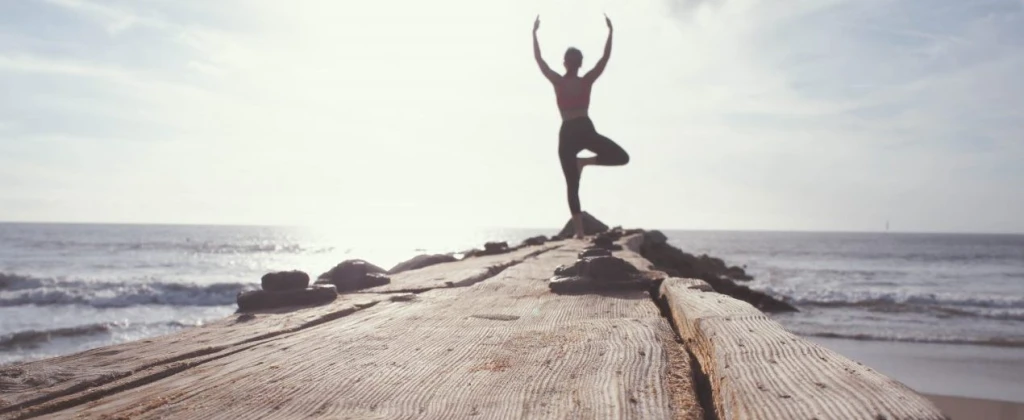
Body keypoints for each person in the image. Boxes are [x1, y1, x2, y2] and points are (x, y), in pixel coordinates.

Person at [533, 14, 629, 239]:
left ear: (565, 62)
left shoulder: (560, 81)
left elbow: (539, 61)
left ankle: (579, 232)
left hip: (570, 131)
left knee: (571, 183)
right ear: (577, 63)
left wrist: (534, 34)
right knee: (619, 157)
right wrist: (610, 34)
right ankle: (579, 231)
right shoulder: (583, 81)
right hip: (582, 129)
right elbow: (604, 60)